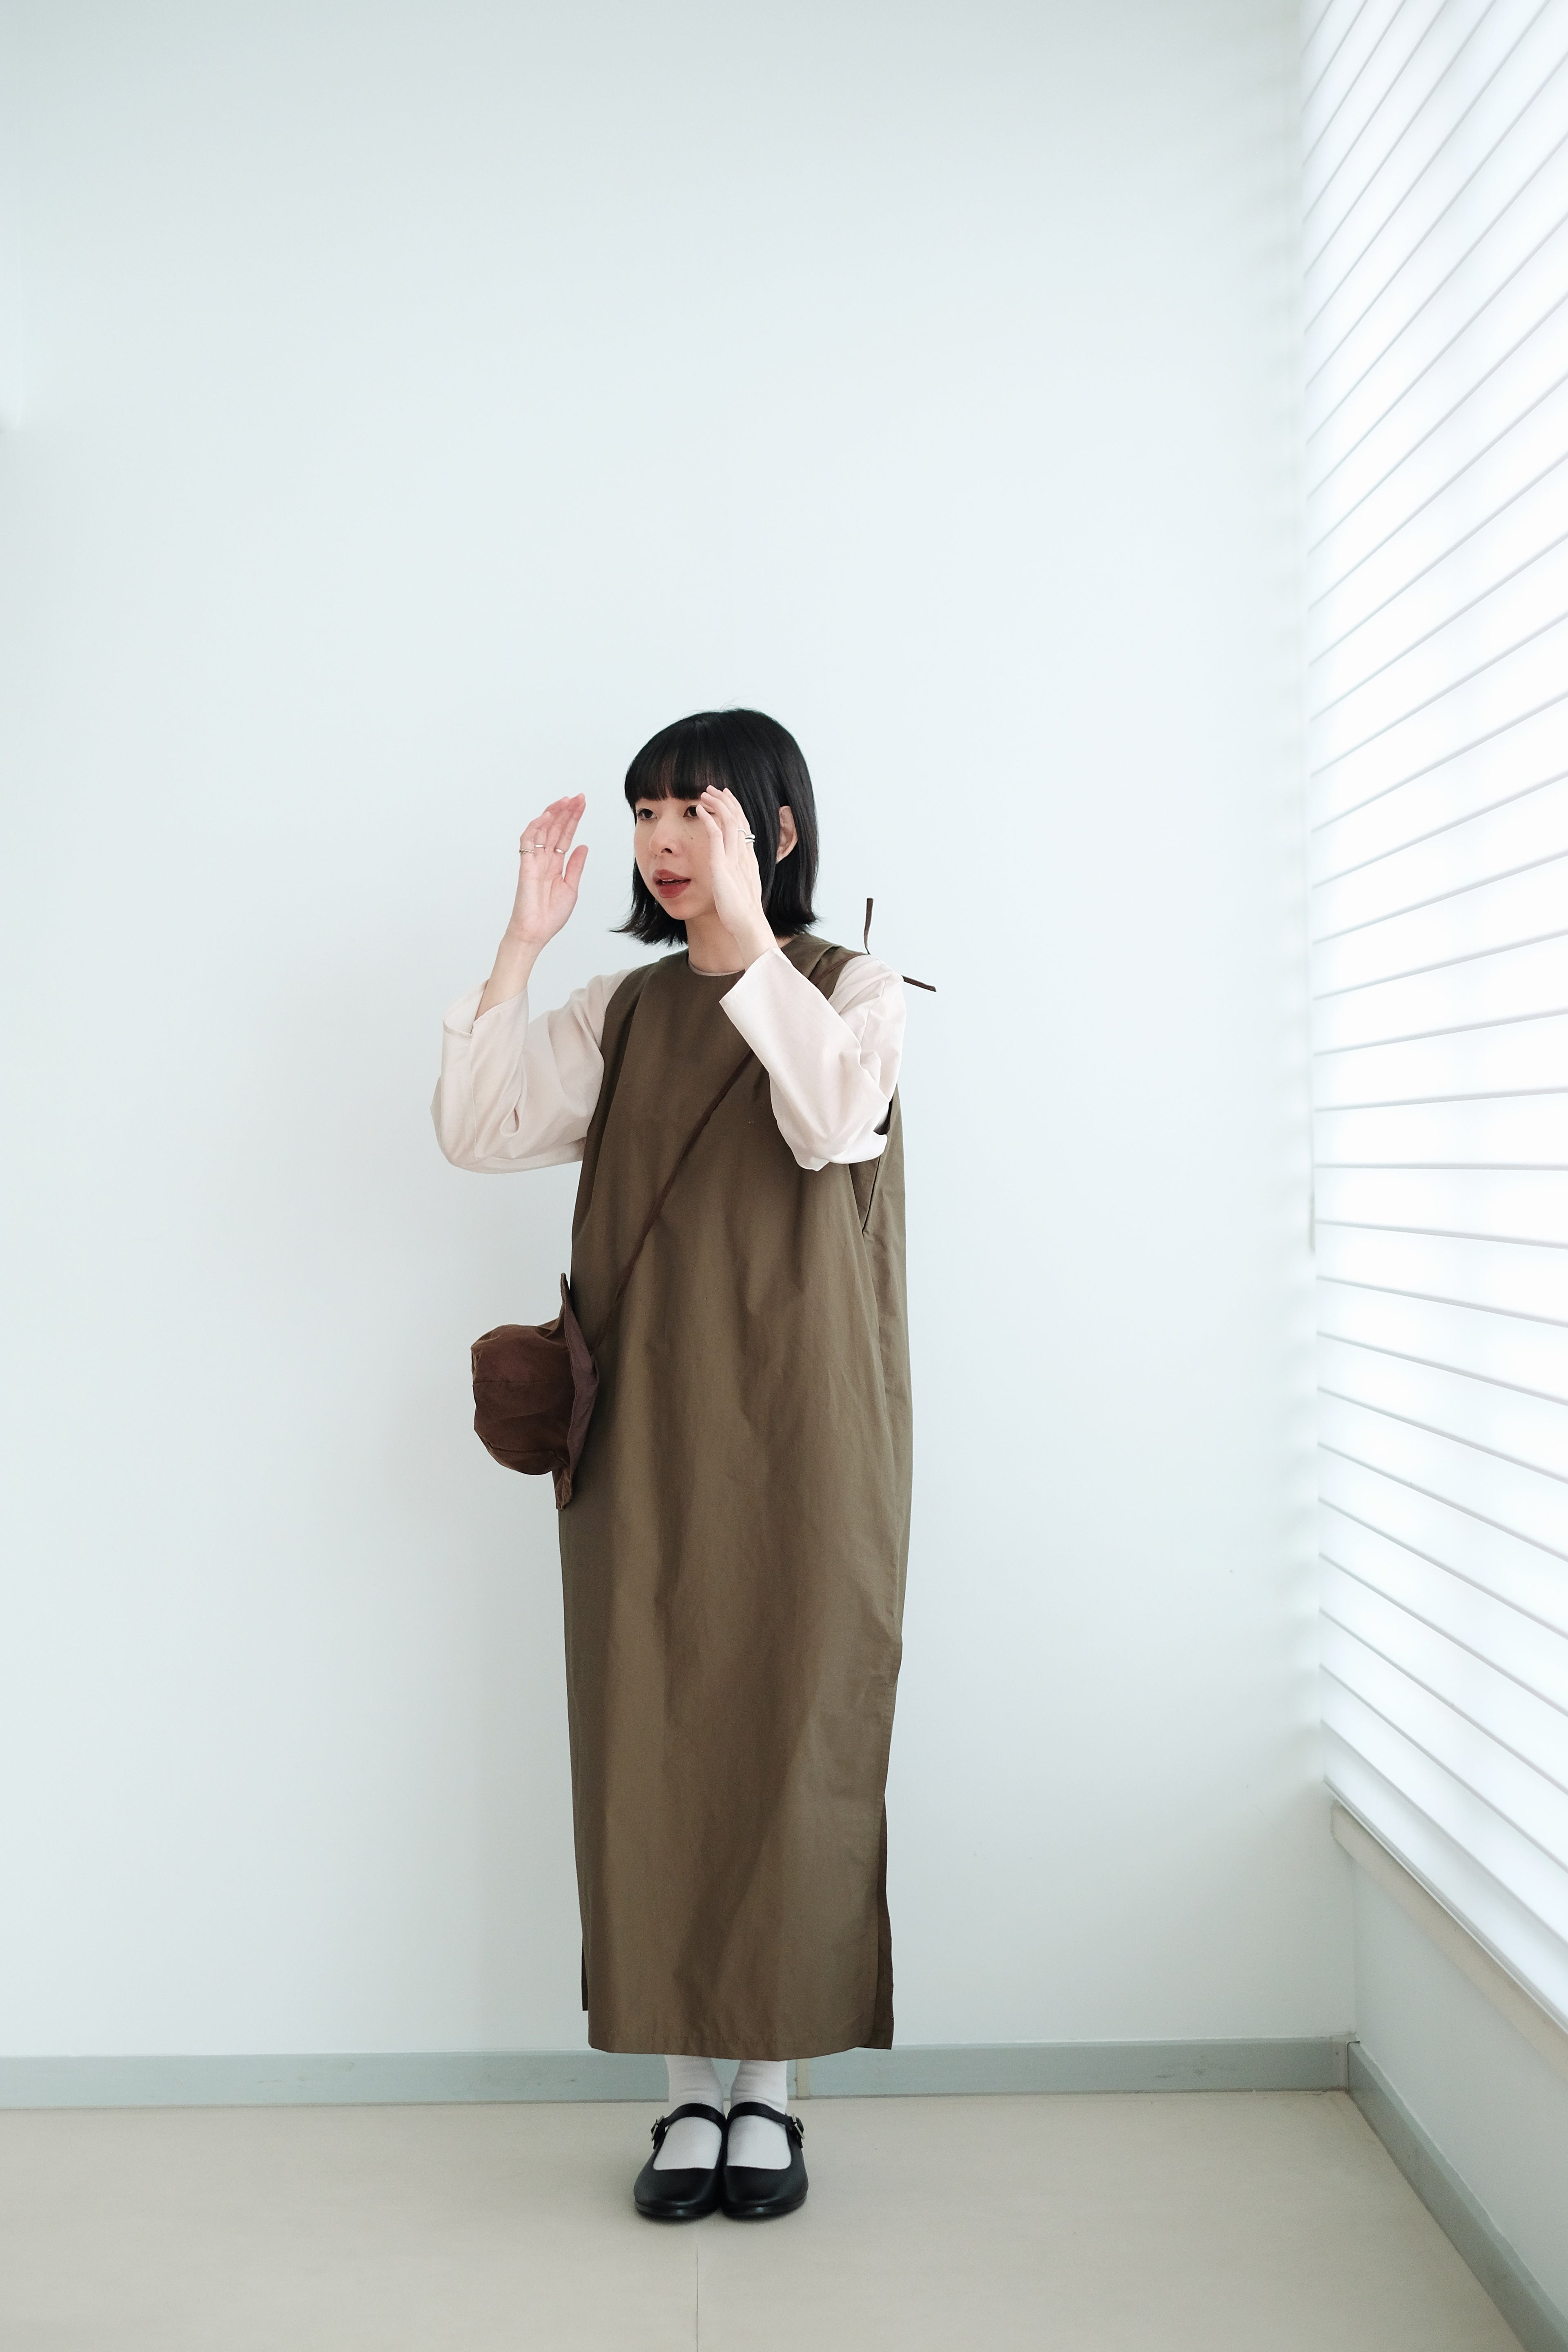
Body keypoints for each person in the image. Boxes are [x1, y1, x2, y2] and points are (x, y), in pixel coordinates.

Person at [432, 708, 911, 2221]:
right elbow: (479, 1128)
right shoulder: (622, 1011)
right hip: (643, 1429)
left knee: (787, 1727)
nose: (661, 842)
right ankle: (685, 2095)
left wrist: (754, 942)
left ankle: (769, 2091)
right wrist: (520, 948)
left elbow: (833, 1120)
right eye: (648, 813)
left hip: (807, 1435)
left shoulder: (852, 989)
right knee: (650, 1737)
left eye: (694, 811)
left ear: (774, 831)